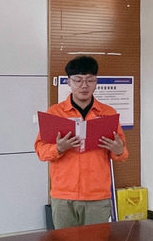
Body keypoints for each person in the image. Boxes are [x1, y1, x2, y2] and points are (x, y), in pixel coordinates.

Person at [34, 56, 128, 228]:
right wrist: (58, 148)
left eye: (90, 80)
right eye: (78, 80)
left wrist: (118, 150)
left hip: (97, 196)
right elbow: (41, 151)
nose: (84, 85)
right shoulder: (55, 113)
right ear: (68, 82)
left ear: (96, 82)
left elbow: (122, 154)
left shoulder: (108, 113)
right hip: (63, 196)